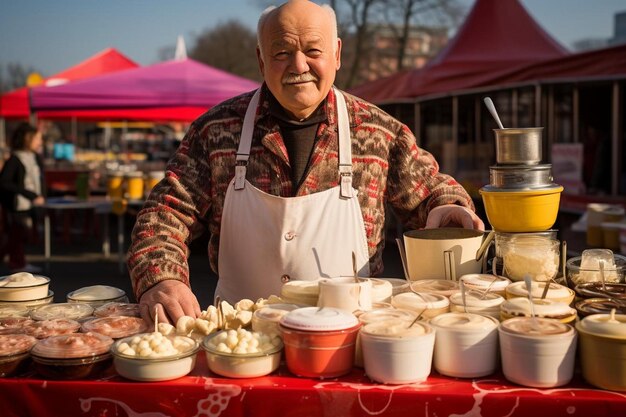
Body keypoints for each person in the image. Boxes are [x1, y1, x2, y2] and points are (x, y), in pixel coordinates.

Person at [128, 0, 484, 326]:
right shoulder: (216, 130)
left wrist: (447, 209)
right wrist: (161, 278)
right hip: (240, 337)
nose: (299, 66)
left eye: (313, 50)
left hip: (352, 336)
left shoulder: (378, 131)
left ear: (337, 53)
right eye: (281, 52)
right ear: (261, 59)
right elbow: (166, 212)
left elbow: (431, 193)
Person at [0, 122, 45, 273]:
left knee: (19, 234)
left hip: (30, 203)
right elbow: (4, 182)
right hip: (16, 204)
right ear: (28, 139)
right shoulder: (15, 159)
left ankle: (18, 263)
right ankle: (17, 264)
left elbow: (39, 179)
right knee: (17, 234)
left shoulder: (35, 157)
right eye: (37, 138)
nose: (40, 142)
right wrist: (29, 194)